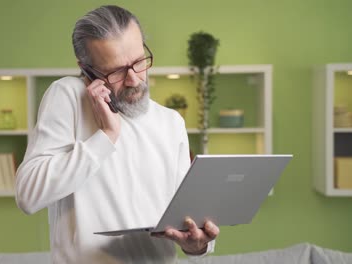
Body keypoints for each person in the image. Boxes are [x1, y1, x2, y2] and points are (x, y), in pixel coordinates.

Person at [15, 5, 219, 264]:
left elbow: (186, 220)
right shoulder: (68, 96)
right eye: (117, 71)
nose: (134, 79)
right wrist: (106, 136)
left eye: (138, 62)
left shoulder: (171, 122)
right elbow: (28, 196)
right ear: (86, 71)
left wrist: (197, 244)